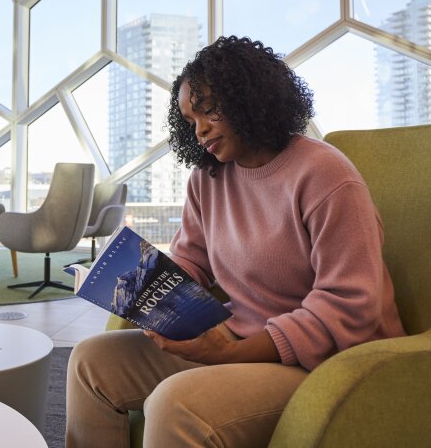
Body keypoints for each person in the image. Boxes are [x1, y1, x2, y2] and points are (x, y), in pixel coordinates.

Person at [65, 36, 406, 448]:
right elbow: (192, 259)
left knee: (176, 404)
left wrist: (226, 355)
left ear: (249, 98)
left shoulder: (326, 176)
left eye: (209, 109)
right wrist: (151, 298)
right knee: (90, 362)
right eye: (191, 120)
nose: (201, 128)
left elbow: (348, 305)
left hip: (324, 362)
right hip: (235, 338)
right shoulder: (208, 179)